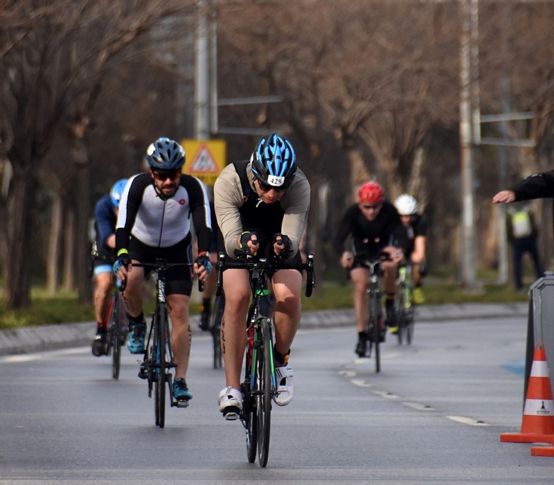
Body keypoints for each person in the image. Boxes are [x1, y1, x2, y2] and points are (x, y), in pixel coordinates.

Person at [214, 133, 310, 420]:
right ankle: (232, 388)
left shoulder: (300, 185)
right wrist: (242, 243)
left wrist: (286, 244)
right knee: (239, 295)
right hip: (239, 237)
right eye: (265, 186)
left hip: (277, 237)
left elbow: (293, 233)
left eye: (279, 190)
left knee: (289, 294)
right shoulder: (229, 180)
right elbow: (230, 236)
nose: (271, 195)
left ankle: (280, 359)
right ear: (254, 172)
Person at [113, 137, 213, 404]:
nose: (169, 182)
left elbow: (204, 226)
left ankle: (180, 379)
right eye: (162, 176)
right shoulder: (137, 186)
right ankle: (135, 324)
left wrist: (203, 255)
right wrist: (121, 255)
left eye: (174, 175)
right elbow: (123, 225)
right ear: (151, 173)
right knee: (132, 278)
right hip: (140, 244)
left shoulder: (193, 188)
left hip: (177, 247)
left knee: (179, 310)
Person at [334, 181, 404, 357]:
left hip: (384, 251)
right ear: (360, 204)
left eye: (375, 207)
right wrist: (344, 254)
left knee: (390, 267)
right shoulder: (352, 213)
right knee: (360, 285)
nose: (371, 211)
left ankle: (389, 303)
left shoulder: (389, 211)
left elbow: (401, 233)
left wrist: (399, 251)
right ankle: (362, 335)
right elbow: (339, 238)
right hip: (362, 253)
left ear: (382, 204)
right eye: (367, 207)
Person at [91, 178, 128, 356]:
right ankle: (100, 330)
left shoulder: (139, 208)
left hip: (128, 251)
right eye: (117, 209)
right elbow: (108, 237)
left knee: (129, 286)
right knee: (105, 284)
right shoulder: (103, 206)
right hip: (106, 250)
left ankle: (126, 320)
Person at [493, 176, 546, 290]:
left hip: (527, 239)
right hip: (520, 240)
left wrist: (533, 237)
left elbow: (532, 224)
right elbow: (509, 228)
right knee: (520, 264)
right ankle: (519, 285)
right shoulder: (515, 212)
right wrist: (512, 240)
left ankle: (539, 282)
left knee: (534, 262)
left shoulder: (522, 210)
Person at [393, 194, 428, 305]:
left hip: (413, 247)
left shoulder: (420, 222)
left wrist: (417, 258)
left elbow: (420, 244)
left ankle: (417, 287)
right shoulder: (392, 222)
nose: (406, 219)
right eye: (402, 216)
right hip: (397, 248)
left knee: (417, 265)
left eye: (409, 216)